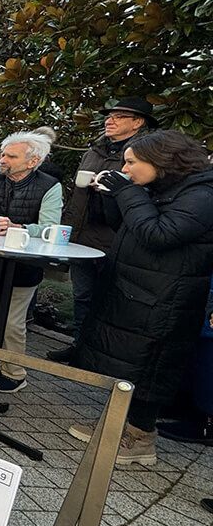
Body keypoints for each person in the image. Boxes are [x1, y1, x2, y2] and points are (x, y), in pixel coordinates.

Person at [67, 130, 213, 465]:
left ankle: (141, 439)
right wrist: (110, 195)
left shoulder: (203, 194)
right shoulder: (162, 188)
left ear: (160, 160)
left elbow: (159, 234)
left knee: (151, 368)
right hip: (139, 290)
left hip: (167, 298)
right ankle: (118, 425)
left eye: (132, 162)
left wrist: (129, 192)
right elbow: (127, 225)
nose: (126, 168)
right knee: (128, 362)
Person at [50, 97, 157, 363]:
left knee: (111, 299)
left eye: (119, 116)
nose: (110, 120)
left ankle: (101, 354)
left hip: (115, 240)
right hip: (83, 236)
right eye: (109, 116)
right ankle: (79, 346)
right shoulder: (94, 150)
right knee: (83, 295)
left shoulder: (145, 153)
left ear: (137, 123)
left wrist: (113, 193)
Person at [0, 131, 62, 393]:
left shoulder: (50, 186)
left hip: (23, 268)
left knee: (10, 322)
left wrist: (17, 227)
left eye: (10, 155)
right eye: (2, 154)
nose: (2, 159)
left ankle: (14, 373)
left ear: (33, 161)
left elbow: (50, 229)